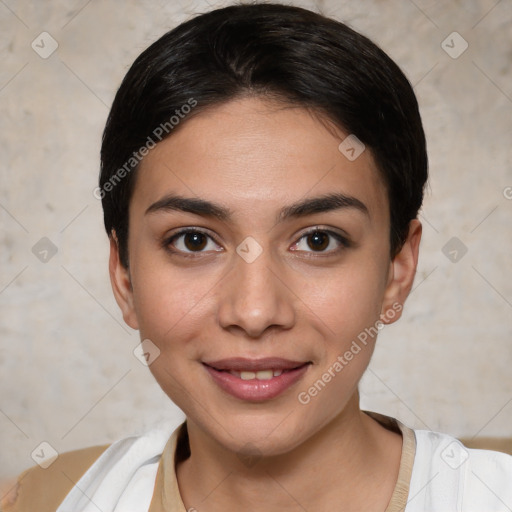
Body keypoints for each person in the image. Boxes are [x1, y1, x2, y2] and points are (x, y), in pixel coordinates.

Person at [2, 2, 511, 511]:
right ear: (123, 275)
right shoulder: (46, 499)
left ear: (398, 271)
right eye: (194, 241)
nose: (254, 312)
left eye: (318, 240)